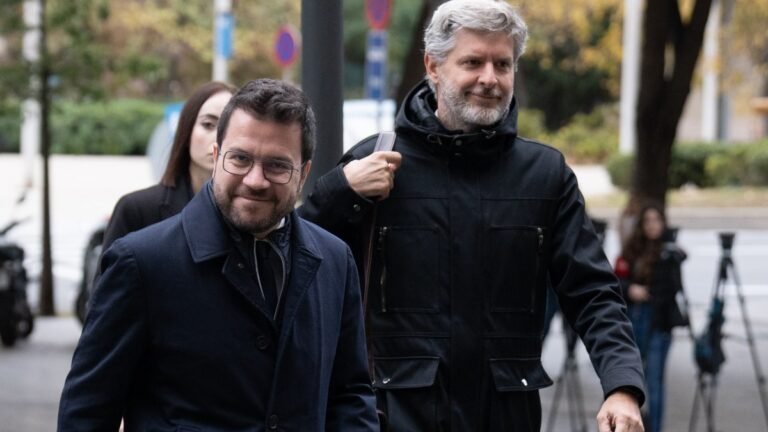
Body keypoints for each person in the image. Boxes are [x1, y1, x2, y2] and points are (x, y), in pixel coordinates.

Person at [299, 1, 646, 430]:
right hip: (395, 417)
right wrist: (340, 190)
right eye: (473, 62)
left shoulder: (544, 175)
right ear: (433, 66)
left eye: (503, 64)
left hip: (504, 418)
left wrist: (623, 386)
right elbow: (300, 263)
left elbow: (593, 292)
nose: (489, 78)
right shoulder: (374, 164)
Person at [59, 79, 379, 431]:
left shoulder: (335, 262)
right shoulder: (142, 263)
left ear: (303, 174)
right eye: (240, 159)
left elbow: (350, 396)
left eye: (277, 165)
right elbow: (87, 412)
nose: (255, 180)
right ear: (216, 157)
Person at [101, 81, 236, 250]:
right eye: (208, 124)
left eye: (228, 128)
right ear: (187, 131)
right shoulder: (136, 209)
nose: (217, 139)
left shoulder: (246, 211)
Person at [615, 204, 688, 432]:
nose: (652, 225)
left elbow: (674, 289)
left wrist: (672, 257)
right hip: (634, 318)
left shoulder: (669, 252)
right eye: (648, 220)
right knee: (629, 379)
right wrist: (631, 289)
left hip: (659, 323)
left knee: (654, 381)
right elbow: (615, 281)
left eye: (657, 220)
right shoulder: (632, 250)